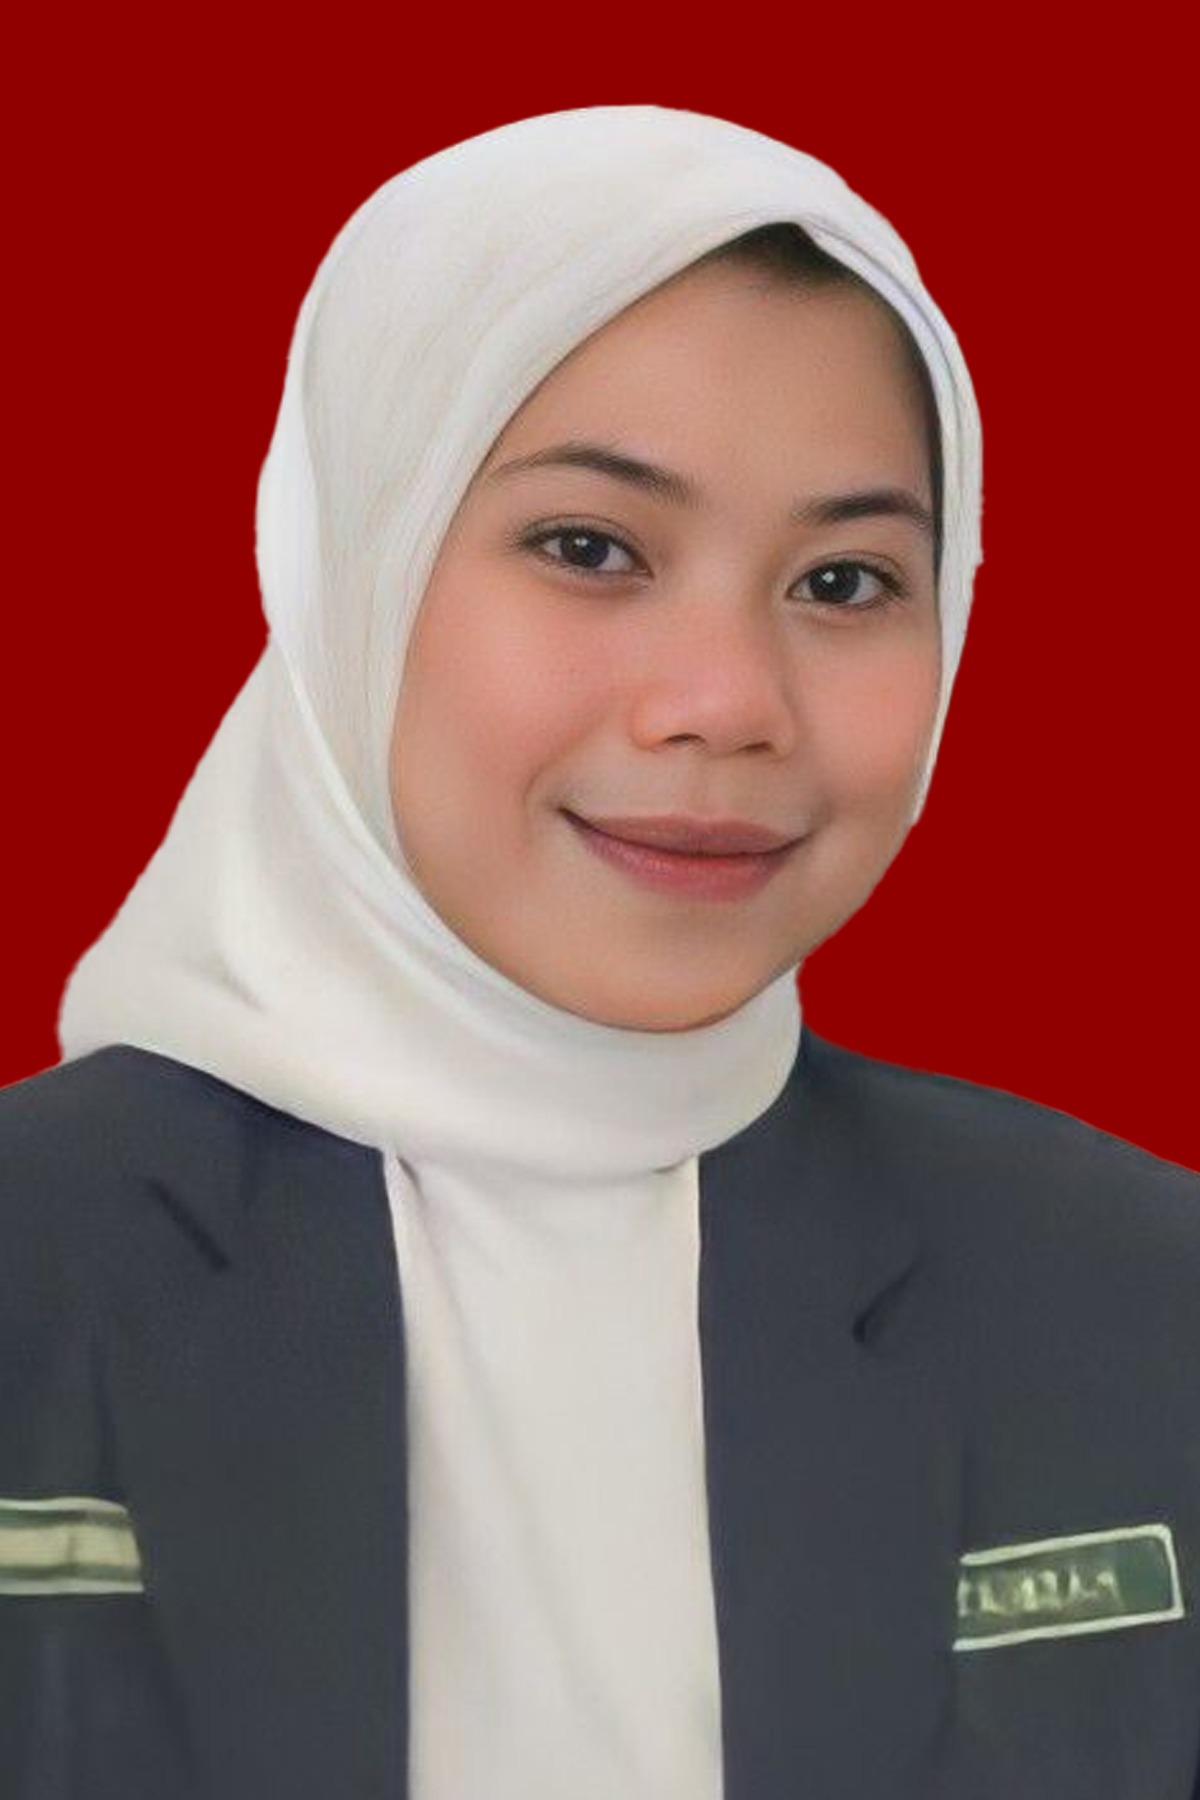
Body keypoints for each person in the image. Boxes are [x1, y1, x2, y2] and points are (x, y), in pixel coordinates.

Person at [1, 102, 1198, 1800]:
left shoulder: (1142, 1298)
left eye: (845, 582)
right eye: (590, 549)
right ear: (355, 568)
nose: (727, 703)